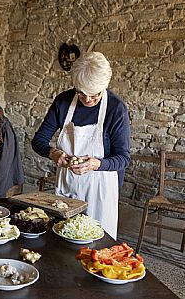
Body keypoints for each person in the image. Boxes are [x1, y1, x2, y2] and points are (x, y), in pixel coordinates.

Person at [32, 52, 131, 239]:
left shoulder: (115, 109)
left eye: (94, 95)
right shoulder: (63, 102)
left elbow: (123, 158)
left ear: (104, 87)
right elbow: (38, 141)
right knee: (63, 237)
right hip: (67, 183)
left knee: (96, 243)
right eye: (81, 93)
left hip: (100, 189)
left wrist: (96, 164)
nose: (87, 100)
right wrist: (53, 153)